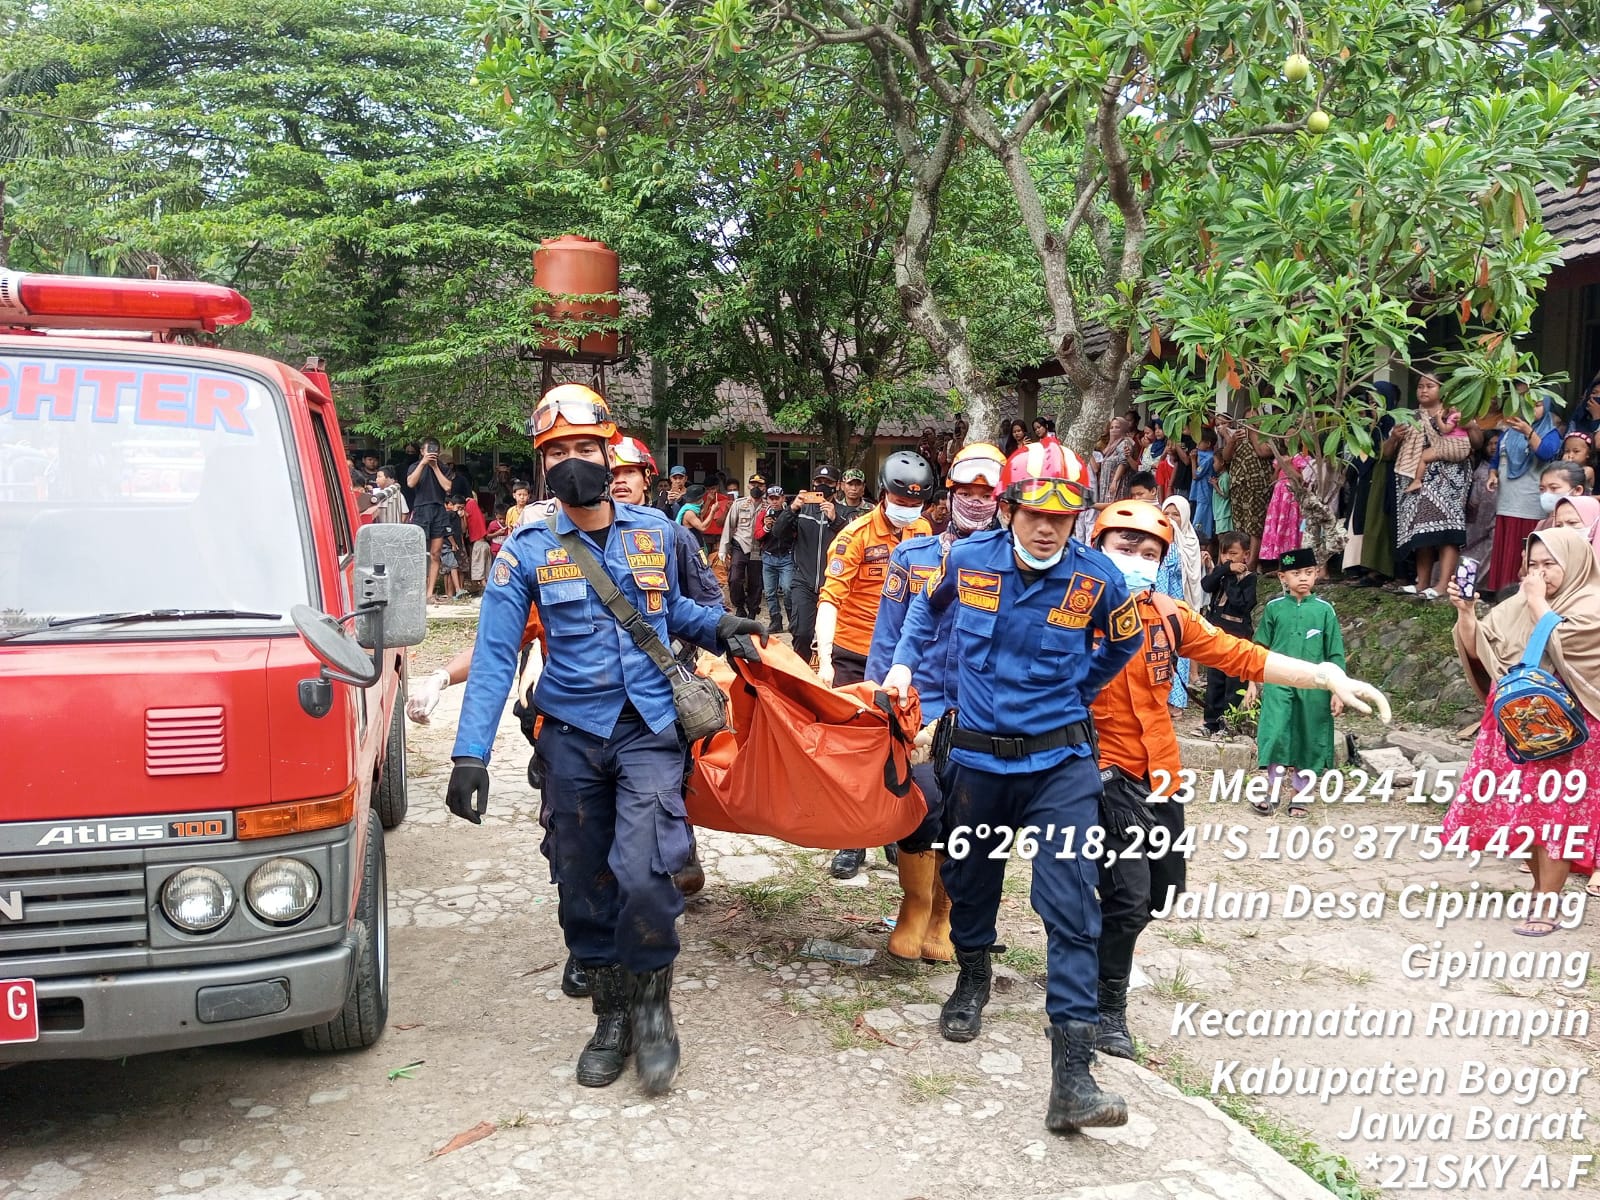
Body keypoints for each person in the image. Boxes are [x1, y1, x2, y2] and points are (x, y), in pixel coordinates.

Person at [444, 383, 765, 1097]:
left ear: (608, 448)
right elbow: (497, 653)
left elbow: (672, 606)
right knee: (582, 883)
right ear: (541, 463)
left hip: (649, 730)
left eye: (584, 448)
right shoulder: (523, 547)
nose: (572, 462)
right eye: (556, 452)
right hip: (570, 737)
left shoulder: (655, 530)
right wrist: (470, 753)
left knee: (647, 871)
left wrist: (717, 627)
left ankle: (654, 1012)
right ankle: (610, 1015)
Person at [882, 440, 1143, 1135]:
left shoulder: (1099, 581)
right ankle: (973, 976)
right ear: (1008, 509)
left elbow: (1121, 645)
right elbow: (922, 614)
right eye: (1034, 512)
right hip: (976, 760)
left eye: (1063, 516)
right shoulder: (966, 561)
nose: (1047, 528)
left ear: (1079, 518)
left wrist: (1075, 695)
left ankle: (1074, 1074)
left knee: (1069, 900)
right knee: (969, 882)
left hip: (1060, 764)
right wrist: (906, 668)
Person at [1085, 503, 1388, 1058]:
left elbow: (1241, 655)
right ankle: (1106, 1007)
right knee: (1126, 900)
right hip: (1102, 778)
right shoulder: (1072, 615)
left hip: (1162, 777)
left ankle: (1096, 950)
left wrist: (1322, 674)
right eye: (1124, 550)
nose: (1137, 562)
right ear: (1096, 548)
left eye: (1149, 554)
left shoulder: (1169, 614)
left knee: (1162, 890)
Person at [865, 443, 1007, 963]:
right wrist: (882, 694)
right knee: (919, 806)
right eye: (966, 490)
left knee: (967, 815)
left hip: (978, 712)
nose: (975, 500)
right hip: (918, 708)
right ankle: (915, 904)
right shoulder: (912, 555)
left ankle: (946, 914)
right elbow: (890, 631)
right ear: (950, 492)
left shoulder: (1013, 563)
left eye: (986, 492)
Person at [1443, 528, 1600, 925]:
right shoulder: (1516, 604)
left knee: (1559, 816)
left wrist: (1536, 600)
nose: (1540, 573)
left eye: (1551, 564)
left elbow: (1571, 647)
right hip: (1516, 725)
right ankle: (1538, 889)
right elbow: (1484, 649)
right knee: (1526, 811)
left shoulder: (1591, 603)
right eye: (1534, 565)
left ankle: (1550, 901)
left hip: (1570, 730)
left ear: (1576, 563)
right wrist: (1466, 614)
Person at [816, 450, 936, 880]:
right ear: (884, 494)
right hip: (854, 653)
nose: (908, 511)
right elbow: (829, 598)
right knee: (856, 751)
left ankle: (891, 828)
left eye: (915, 504)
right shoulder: (855, 536)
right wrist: (825, 657)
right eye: (901, 502)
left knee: (900, 747)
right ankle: (852, 838)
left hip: (902, 657)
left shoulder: (925, 532)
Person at [1244, 547, 1348, 816]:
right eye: (1295, 573)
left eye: (1308, 572)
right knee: (1276, 733)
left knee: (1309, 736)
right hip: (1278, 683)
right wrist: (1252, 684)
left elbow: (1335, 653)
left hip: (1315, 686)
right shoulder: (1274, 608)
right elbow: (1259, 650)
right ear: (1282, 577)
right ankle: (1271, 791)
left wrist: (1339, 691)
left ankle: (1301, 794)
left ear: (1316, 575)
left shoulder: (1325, 611)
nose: (1303, 578)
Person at [1483, 383, 1560, 597]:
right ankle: (1500, 594)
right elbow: (1497, 459)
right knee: (1505, 545)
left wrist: (1529, 431)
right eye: (1525, 405)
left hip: (1530, 503)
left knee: (1523, 548)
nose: (1530, 410)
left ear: (1546, 406)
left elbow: (1546, 453)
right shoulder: (1508, 433)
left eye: (1536, 406)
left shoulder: (1550, 433)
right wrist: (1492, 474)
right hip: (1507, 501)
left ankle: (1522, 594)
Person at [769, 465, 846, 662]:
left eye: (828, 483)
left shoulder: (845, 512)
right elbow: (777, 533)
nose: (823, 486)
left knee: (833, 639)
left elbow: (853, 541)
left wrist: (835, 520)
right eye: (819, 482)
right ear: (813, 484)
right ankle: (800, 677)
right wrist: (792, 509)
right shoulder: (802, 509)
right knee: (802, 633)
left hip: (833, 584)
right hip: (803, 581)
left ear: (837, 486)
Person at [1199, 531, 1258, 736]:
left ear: (1246, 555)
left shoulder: (1249, 579)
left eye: (1233, 554)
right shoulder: (1221, 573)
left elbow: (1242, 604)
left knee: (1234, 682)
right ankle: (1210, 723)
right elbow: (1205, 585)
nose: (1228, 559)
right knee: (1214, 680)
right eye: (1224, 554)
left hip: (1237, 635)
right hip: (1217, 633)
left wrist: (1231, 578)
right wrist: (1224, 570)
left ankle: (1228, 723)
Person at [1159, 496, 1205, 711]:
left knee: (1180, 651)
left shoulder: (1190, 542)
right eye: (1166, 513)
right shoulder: (1161, 543)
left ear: (1185, 516)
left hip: (1182, 606)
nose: (1170, 519)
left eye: (1175, 514)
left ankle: (1176, 702)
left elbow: (1196, 577)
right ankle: (1160, 700)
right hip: (1161, 606)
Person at [408, 438, 456, 602]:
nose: (432, 453)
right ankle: (417, 591)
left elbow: (447, 487)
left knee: (436, 553)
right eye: (429, 450)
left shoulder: (442, 467)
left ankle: (429, 593)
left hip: (438, 510)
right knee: (418, 552)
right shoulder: (415, 467)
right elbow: (410, 483)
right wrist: (423, 464)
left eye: (435, 450)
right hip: (421, 510)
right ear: (422, 451)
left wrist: (435, 466)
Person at [718, 474, 767, 620]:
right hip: (740, 544)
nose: (756, 488)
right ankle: (739, 606)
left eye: (759, 485)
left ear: (764, 487)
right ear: (748, 486)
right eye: (753, 484)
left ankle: (752, 609)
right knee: (734, 578)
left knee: (755, 581)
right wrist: (723, 549)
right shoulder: (739, 504)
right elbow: (729, 526)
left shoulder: (768, 505)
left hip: (758, 547)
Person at [756, 485, 795, 633]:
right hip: (769, 556)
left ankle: (792, 619)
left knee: (788, 589)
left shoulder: (789, 513)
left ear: (783, 498)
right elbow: (757, 535)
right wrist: (766, 527)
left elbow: (796, 532)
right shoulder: (763, 514)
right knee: (770, 592)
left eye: (777, 498)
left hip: (786, 556)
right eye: (771, 498)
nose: (774, 501)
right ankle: (775, 620)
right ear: (767, 499)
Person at [1189, 428, 1217, 548]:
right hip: (1200, 495)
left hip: (1205, 495)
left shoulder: (1209, 458)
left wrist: (1193, 460)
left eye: (1199, 441)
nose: (1196, 444)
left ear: (1208, 443)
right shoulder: (1204, 455)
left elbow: (1196, 475)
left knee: (1201, 528)